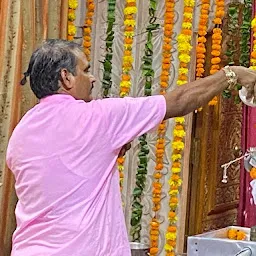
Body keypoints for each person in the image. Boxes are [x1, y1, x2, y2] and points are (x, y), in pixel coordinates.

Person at [6, 39, 256, 256]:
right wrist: (232, 73)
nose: (92, 78)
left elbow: (63, 174)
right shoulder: (97, 117)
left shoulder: (21, 131)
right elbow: (179, 101)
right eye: (86, 70)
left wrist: (105, 151)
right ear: (66, 77)